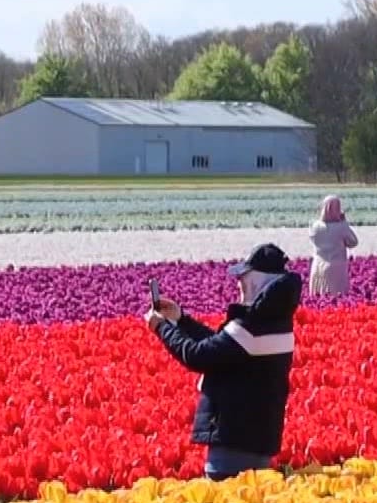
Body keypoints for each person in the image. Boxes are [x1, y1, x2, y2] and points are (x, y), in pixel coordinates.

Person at [147, 243, 303, 480]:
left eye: (243, 277)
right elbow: (221, 348)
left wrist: (161, 328)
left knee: (229, 497)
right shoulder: (275, 320)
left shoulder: (253, 325)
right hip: (257, 435)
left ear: (258, 281)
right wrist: (181, 320)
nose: (239, 284)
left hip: (234, 437)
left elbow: (198, 356)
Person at [308, 195, 359, 297]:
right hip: (336, 267)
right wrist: (344, 222)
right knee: (336, 296)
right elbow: (353, 242)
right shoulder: (341, 227)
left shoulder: (315, 226)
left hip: (318, 265)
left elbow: (313, 239)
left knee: (318, 295)